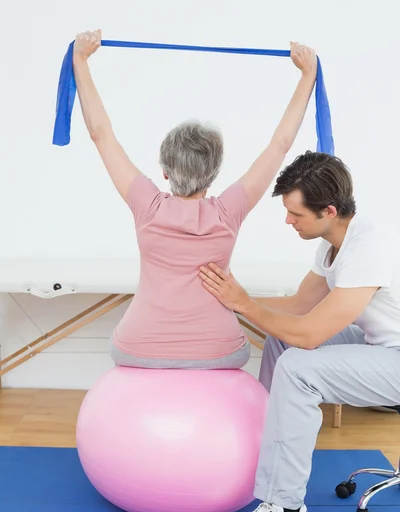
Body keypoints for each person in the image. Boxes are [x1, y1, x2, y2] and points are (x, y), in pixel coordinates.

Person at [72, 29, 317, 369]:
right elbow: (281, 144)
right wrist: (308, 75)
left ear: (165, 172)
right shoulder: (229, 210)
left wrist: (80, 61)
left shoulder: (147, 203)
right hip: (218, 350)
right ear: (214, 173)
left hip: (138, 346)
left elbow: (100, 133)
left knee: (119, 342)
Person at [199, 150, 400, 512]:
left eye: (295, 214)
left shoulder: (368, 248)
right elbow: (296, 309)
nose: (287, 220)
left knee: (298, 365)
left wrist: (244, 305)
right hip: (383, 346)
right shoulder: (333, 243)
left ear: (327, 210)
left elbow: (309, 335)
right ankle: (264, 453)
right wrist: (235, 296)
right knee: (282, 338)